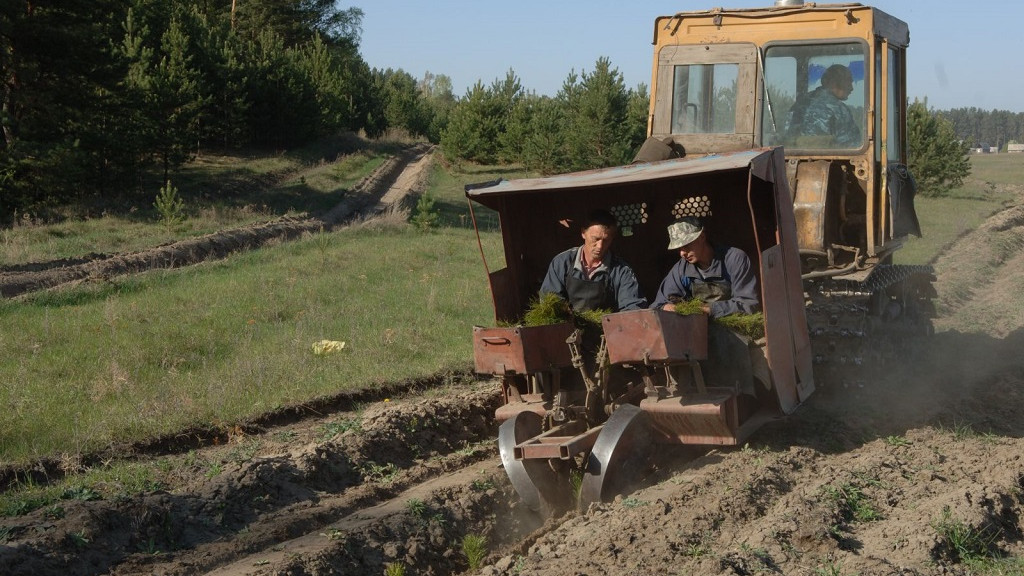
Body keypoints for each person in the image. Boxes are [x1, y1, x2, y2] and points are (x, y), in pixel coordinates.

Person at [539, 209, 648, 312]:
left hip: (608, 330)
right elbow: (550, 301)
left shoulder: (622, 271)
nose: (600, 246)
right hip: (568, 329)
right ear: (583, 233)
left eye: (605, 240)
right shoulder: (561, 263)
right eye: (595, 239)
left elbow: (633, 308)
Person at [650, 217, 759, 319]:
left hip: (736, 327)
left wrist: (708, 310)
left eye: (687, 245)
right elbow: (658, 305)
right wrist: (669, 308)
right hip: (698, 329)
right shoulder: (680, 270)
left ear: (702, 237)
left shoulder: (734, 259)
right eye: (679, 249)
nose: (682, 253)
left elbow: (749, 304)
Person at [786, 64, 861, 148]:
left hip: (796, 159)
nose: (851, 88)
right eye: (848, 82)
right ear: (833, 83)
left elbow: (787, 137)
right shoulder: (838, 109)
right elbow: (853, 146)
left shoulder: (799, 104)